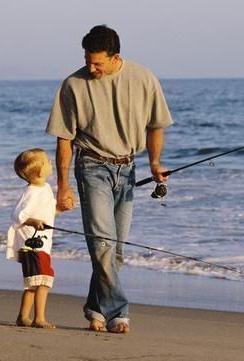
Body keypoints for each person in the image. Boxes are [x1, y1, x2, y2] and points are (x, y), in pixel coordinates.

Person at [46, 24, 173, 334]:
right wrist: (62, 186)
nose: (91, 67)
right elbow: (64, 139)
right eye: (88, 60)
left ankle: (95, 308)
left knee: (114, 250)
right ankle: (119, 311)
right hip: (91, 166)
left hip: (128, 168)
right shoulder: (73, 84)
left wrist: (155, 163)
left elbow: (156, 126)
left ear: (116, 56)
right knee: (102, 243)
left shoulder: (143, 79)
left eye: (97, 62)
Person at [6, 148, 58, 329]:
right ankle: (39, 318)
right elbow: (17, 215)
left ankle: (22, 317)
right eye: (48, 162)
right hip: (32, 243)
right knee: (43, 279)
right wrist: (32, 221)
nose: (51, 164)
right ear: (41, 171)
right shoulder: (31, 192)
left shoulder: (45, 189)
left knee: (33, 282)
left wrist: (60, 210)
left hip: (43, 243)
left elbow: (47, 213)